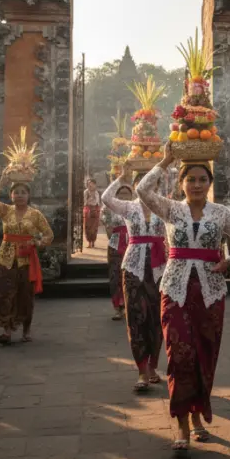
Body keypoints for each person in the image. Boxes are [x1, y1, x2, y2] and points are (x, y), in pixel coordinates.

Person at [137, 148, 230, 453]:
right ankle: (180, 422)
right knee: (179, 354)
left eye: (203, 179)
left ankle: (197, 413)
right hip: (175, 289)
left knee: (205, 352)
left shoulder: (221, 213)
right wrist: (164, 161)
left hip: (210, 291)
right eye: (191, 179)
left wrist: (227, 263)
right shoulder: (171, 210)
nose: (197, 184)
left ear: (210, 183)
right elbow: (142, 189)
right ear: (182, 183)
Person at [103, 163, 169, 392]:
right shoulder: (129, 208)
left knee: (158, 318)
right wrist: (120, 178)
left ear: (158, 186)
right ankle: (141, 370)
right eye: (142, 183)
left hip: (160, 268)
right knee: (136, 316)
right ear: (135, 186)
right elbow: (105, 197)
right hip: (133, 267)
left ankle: (153, 366)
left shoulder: (165, 207)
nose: (147, 186)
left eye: (152, 183)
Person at [0, 172, 53, 345]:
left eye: (23, 192)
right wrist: (0, 183)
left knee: (25, 295)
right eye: (16, 192)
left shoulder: (35, 214)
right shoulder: (5, 210)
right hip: (5, 257)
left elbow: (49, 235)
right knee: (4, 293)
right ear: (11, 195)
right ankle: (6, 330)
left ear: (28, 195)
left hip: (26, 259)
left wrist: (37, 243)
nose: (20, 195)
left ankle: (26, 328)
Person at [103, 200, 128, 321]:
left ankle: (128, 306)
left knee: (129, 277)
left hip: (132, 244)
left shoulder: (135, 207)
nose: (124, 196)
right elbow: (108, 230)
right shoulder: (110, 208)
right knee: (115, 276)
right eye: (121, 193)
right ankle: (117, 308)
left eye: (126, 192)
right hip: (115, 244)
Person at [83, 177, 101, 249]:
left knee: (94, 227)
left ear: (95, 185)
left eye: (92, 184)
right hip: (88, 209)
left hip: (95, 210)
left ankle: (93, 241)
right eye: (89, 184)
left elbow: (97, 202)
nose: (90, 185)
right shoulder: (86, 192)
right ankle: (89, 242)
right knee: (87, 227)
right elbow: (84, 202)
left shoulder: (96, 192)